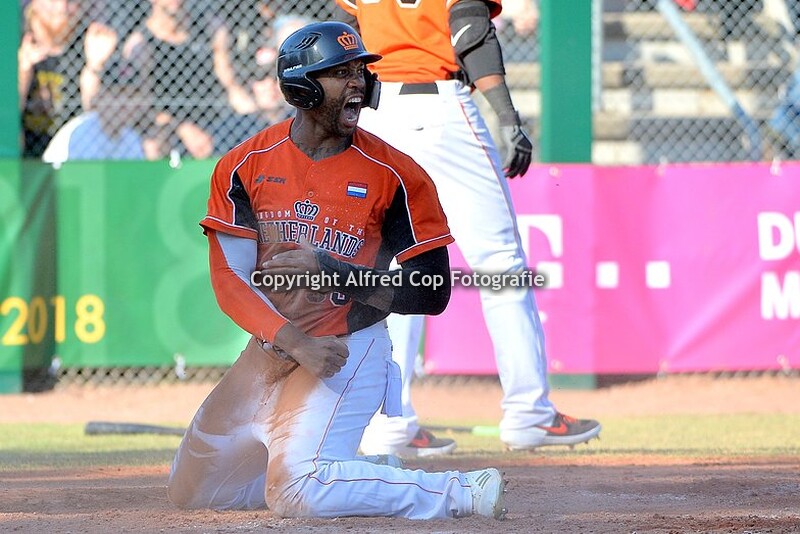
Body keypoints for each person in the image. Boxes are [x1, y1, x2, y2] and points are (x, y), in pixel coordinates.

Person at [167, 21, 507, 520]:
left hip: (348, 350)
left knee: (295, 491)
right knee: (194, 494)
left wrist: (331, 271)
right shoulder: (245, 165)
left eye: (360, 72)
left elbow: (431, 291)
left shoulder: (396, 174)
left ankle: (458, 490)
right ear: (301, 85)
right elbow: (230, 279)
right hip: (275, 347)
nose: (358, 83)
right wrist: (291, 340)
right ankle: (357, 472)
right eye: (339, 72)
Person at [335, 0, 601, 456]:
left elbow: (342, 35)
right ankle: (529, 414)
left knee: (394, 266)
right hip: (443, 109)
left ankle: (390, 422)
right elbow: (471, 31)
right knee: (502, 265)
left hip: (378, 113)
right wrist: (507, 116)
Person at [42, 64, 149, 165]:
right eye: (117, 94)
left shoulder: (132, 138)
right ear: (100, 96)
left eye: (131, 96)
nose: (124, 103)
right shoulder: (82, 131)